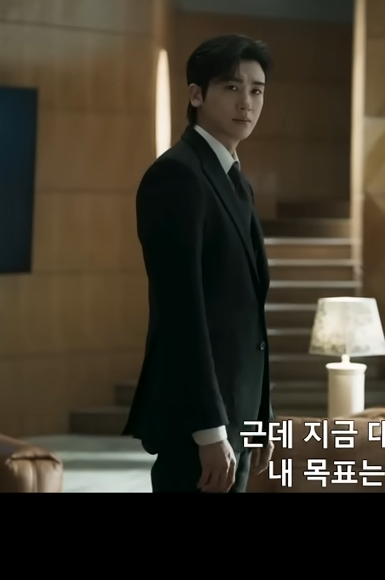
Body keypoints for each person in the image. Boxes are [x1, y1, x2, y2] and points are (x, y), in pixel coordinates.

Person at [123, 34, 275, 493]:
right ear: (196, 95)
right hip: (199, 423)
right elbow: (181, 313)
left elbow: (247, 319)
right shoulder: (177, 176)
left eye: (256, 90)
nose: (246, 102)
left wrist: (261, 417)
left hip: (238, 417)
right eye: (231, 87)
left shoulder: (235, 180)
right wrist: (209, 430)